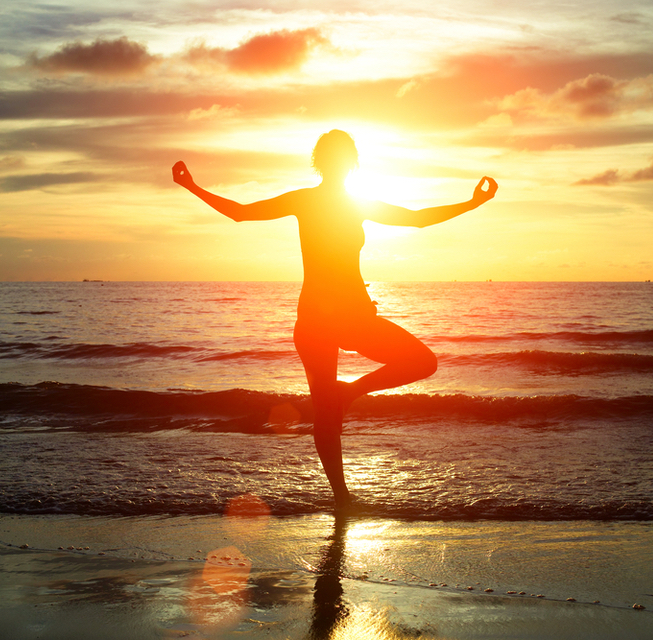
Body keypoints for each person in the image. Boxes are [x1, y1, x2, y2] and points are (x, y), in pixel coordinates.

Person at [172, 130, 497, 511]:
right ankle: (342, 497)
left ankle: (348, 401)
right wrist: (192, 186)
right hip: (322, 318)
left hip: (341, 315)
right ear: (337, 162)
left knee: (420, 363)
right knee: (330, 411)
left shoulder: (340, 202)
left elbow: (416, 220)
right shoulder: (320, 202)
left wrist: (472, 204)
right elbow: (241, 213)